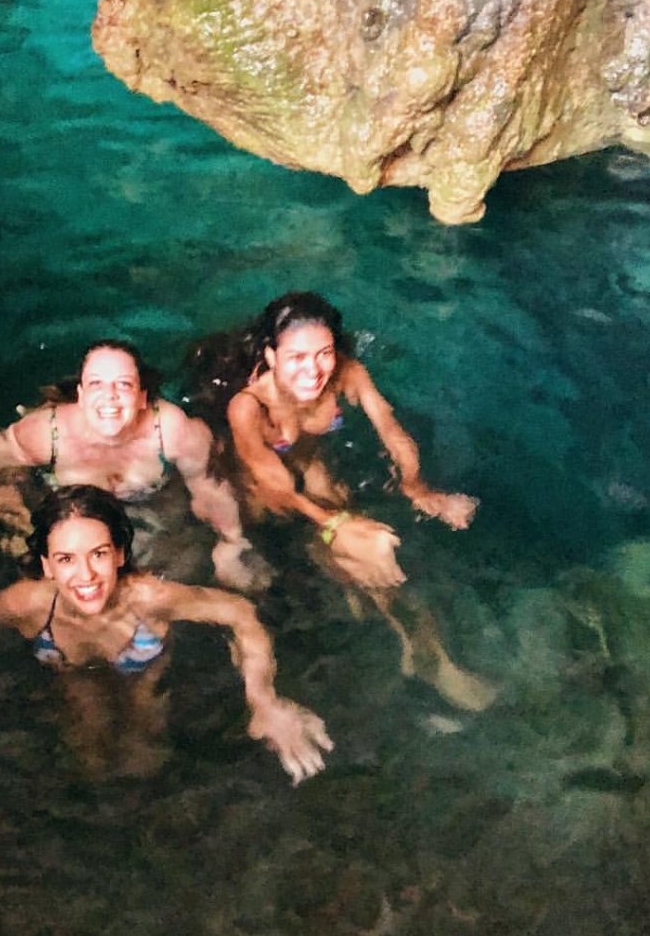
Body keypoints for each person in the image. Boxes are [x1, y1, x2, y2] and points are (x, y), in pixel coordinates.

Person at [0, 485, 332, 784]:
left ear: (120, 554)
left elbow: (239, 612)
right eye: (66, 559)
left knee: (146, 759)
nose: (85, 575)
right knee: (90, 759)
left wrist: (264, 699)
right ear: (46, 565)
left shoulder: (149, 598)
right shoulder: (26, 604)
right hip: (71, 674)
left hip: (144, 672)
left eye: (99, 554)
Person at [187, 291, 494, 710]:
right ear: (271, 356)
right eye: (297, 357)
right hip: (256, 486)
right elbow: (273, 484)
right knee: (342, 542)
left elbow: (390, 429)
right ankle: (420, 651)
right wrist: (334, 524)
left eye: (324, 353)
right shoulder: (248, 406)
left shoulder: (348, 373)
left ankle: (415, 645)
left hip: (309, 463)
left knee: (358, 537)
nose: (314, 369)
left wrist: (417, 487)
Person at [0, 339, 258, 589]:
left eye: (123, 384)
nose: (110, 396)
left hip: (151, 506)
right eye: (96, 384)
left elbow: (209, 489)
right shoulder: (45, 434)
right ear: (81, 395)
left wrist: (231, 544)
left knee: (178, 570)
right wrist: (20, 524)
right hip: (71, 512)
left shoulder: (172, 432)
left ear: (142, 397)